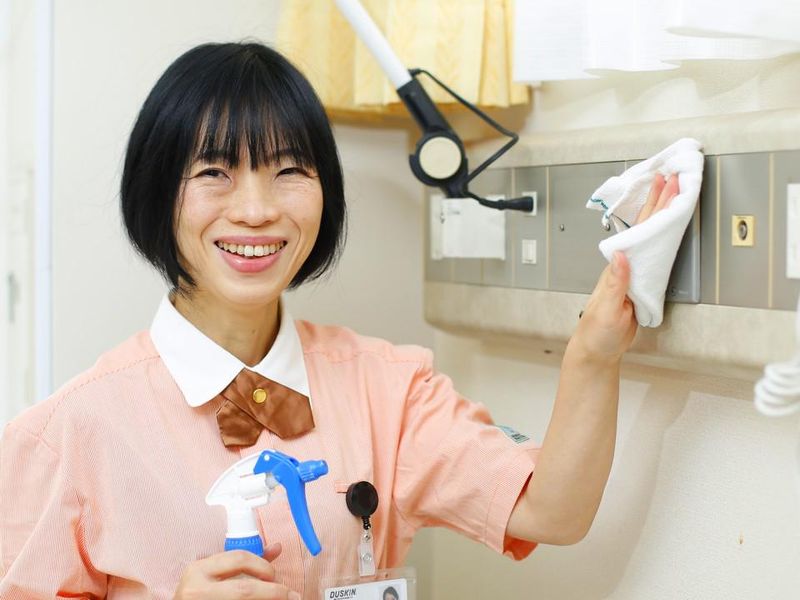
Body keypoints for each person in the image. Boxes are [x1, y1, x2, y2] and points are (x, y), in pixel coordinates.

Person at [0, 42, 678, 599]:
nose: (257, 210)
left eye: (289, 170)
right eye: (214, 172)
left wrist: (594, 354)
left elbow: (550, 511)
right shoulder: (66, 435)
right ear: (156, 192)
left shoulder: (390, 389)